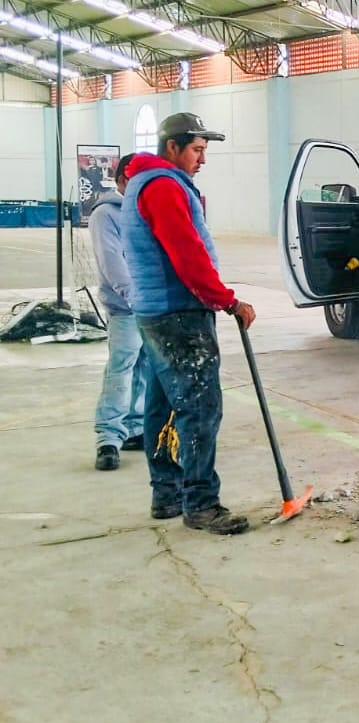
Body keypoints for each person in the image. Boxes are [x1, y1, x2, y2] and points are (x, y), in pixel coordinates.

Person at [120, 112, 256, 535]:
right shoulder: (162, 186)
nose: (202, 159)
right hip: (178, 314)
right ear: (172, 147)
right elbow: (187, 254)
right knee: (199, 406)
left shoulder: (146, 182)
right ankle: (200, 503)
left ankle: (167, 494)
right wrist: (227, 300)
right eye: (197, 150)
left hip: (155, 312)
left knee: (162, 405)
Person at [90, 152, 145, 472]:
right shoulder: (106, 215)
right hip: (126, 308)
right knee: (121, 369)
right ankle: (108, 438)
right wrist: (136, 297)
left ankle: (135, 428)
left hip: (151, 305)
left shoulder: (143, 212)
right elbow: (112, 262)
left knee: (144, 368)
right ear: (123, 179)